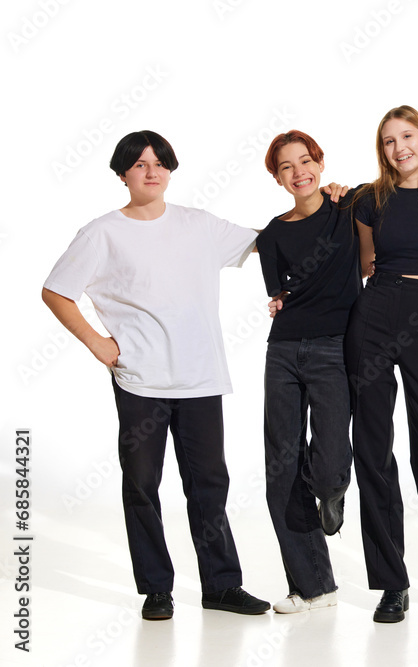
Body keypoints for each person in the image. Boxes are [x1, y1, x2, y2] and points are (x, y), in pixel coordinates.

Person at [41, 130, 270, 620]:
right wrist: (98, 343)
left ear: (170, 169)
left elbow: (269, 241)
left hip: (202, 378)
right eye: (140, 164)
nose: (151, 170)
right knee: (142, 484)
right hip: (141, 380)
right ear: (123, 173)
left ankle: (222, 586)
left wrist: (329, 201)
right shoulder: (102, 233)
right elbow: (56, 291)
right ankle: (156, 589)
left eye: (160, 162)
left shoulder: (200, 225)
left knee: (209, 485)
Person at [344, 105, 418, 623]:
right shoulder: (368, 200)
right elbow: (363, 263)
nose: (400, 148)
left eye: (408, 136)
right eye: (389, 141)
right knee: (373, 449)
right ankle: (391, 584)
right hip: (374, 311)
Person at [255, 130, 361, 613]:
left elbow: (412, 184)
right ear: (277, 178)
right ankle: (312, 585)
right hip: (283, 351)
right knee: (281, 463)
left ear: (320, 163)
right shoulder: (273, 234)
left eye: (305, 161)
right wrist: (277, 301)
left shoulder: (349, 207)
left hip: (335, 347)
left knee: (331, 453)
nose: (298, 172)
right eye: (286, 167)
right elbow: (279, 294)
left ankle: (331, 490)